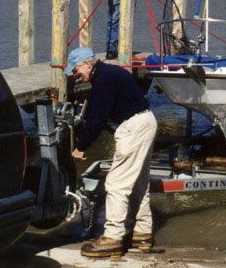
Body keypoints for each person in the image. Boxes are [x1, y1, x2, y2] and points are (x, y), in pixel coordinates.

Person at [64, 47, 157, 258]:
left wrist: (79, 148)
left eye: (77, 70)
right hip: (146, 120)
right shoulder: (109, 74)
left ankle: (113, 237)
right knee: (139, 184)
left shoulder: (103, 80)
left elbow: (96, 120)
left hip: (134, 127)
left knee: (116, 184)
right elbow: (105, 114)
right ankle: (143, 234)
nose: (77, 76)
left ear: (87, 64)